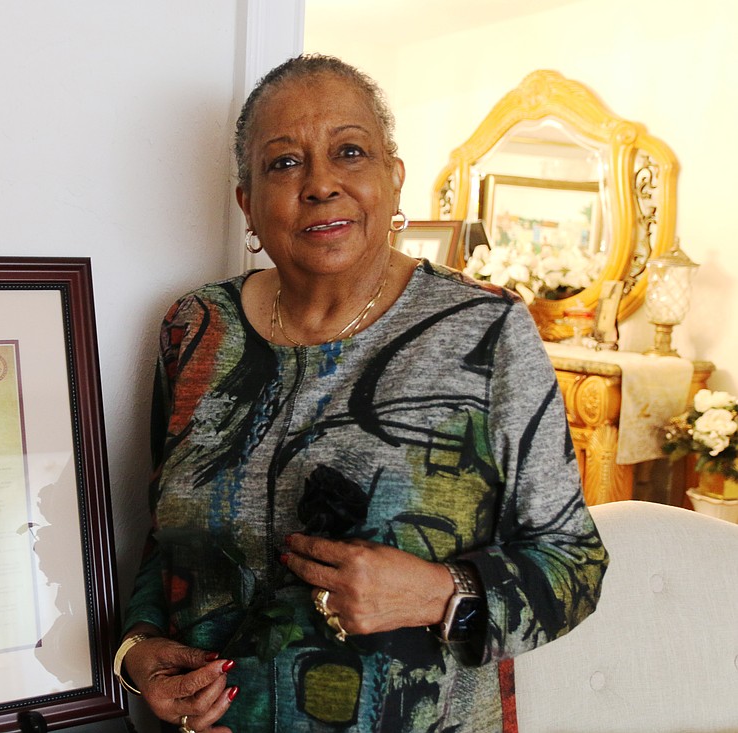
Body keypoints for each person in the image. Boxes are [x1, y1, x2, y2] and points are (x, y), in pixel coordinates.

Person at [114, 55, 608, 733]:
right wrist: (135, 651)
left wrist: (442, 592)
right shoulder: (196, 329)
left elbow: (574, 563)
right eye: (284, 163)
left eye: (350, 152)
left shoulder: (484, 332)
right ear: (246, 203)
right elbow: (163, 539)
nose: (321, 184)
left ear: (393, 178)